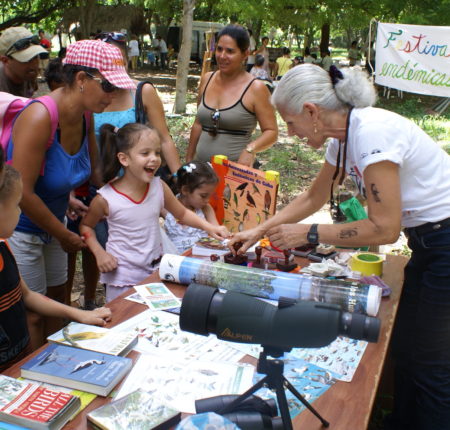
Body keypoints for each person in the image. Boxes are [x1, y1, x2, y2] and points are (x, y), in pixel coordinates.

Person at [229, 63, 450, 430]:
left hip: (445, 241)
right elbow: (315, 195)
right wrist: (260, 230)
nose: (291, 132)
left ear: (312, 112)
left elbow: (384, 228)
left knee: (432, 361)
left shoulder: (372, 133)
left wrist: (310, 234)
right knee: (407, 347)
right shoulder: (343, 139)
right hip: (429, 241)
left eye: (290, 122)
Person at [7, 39, 135, 348]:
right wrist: (63, 234)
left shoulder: (86, 115)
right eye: (108, 86)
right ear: (81, 79)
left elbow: (90, 176)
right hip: (22, 228)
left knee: (59, 301)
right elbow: (21, 192)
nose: (114, 95)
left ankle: (58, 366)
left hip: (55, 222)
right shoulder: (39, 117)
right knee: (34, 314)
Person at [80, 123, 230, 302]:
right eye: (145, 153)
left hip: (156, 273)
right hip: (122, 277)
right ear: (124, 159)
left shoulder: (159, 187)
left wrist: (210, 227)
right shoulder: (106, 198)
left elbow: (181, 213)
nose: (155, 159)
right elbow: (86, 226)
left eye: (157, 152)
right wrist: (99, 253)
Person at [0, 162, 111, 364]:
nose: (19, 212)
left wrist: (80, 315)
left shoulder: (4, 249)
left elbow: (28, 296)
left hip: (19, 362)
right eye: (16, 205)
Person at [187, 25, 277, 167]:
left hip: (236, 176)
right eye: (219, 49)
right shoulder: (207, 79)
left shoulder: (256, 88)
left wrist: (250, 150)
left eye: (230, 51)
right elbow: (198, 124)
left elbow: (271, 132)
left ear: (245, 54)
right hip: (201, 175)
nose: (222, 56)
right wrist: (189, 161)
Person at [94, 32, 181, 174]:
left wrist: (180, 181)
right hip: (97, 183)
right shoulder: (88, 93)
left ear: (127, 60)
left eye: (120, 61)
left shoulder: (143, 92)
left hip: (139, 182)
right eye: (106, 62)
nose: (114, 67)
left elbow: (165, 139)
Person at [165, 161, 220, 253]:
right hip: (176, 261)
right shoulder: (168, 207)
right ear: (185, 190)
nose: (207, 200)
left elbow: (216, 232)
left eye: (210, 196)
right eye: (203, 196)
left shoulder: (206, 208)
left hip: (202, 257)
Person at [0, 26, 46, 97]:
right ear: (5, 61)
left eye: (35, 56)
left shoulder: (29, 75)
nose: (34, 63)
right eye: (26, 59)